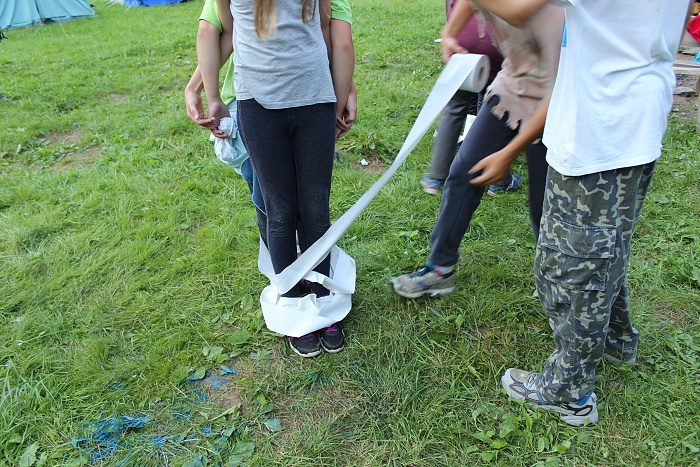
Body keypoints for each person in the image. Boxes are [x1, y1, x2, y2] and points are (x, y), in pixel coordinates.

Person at [470, 0, 693, 426]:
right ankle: (616, 340)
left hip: (599, 126)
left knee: (570, 268)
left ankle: (568, 393)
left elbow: (515, 8)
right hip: (635, 111)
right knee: (607, 249)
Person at [199, 0, 352, 358]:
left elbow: (331, 33)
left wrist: (339, 99)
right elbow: (227, 30)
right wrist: (212, 95)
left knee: (304, 212)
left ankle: (319, 299)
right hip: (266, 104)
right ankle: (296, 302)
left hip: (309, 101)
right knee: (289, 212)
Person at [389, 0, 562, 299]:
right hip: (511, 87)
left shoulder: (555, 14)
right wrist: (449, 34)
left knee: (544, 200)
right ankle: (440, 269)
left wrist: (508, 155)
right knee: (463, 172)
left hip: (553, 105)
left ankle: (555, 282)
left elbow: (558, 93)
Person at [184, 0, 357, 242]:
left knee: (274, 208)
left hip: (254, 102)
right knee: (308, 210)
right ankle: (303, 262)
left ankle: (285, 262)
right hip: (309, 97)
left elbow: (214, 32)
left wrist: (199, 89)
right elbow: (333, 38)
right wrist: (344, 89)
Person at [421, 0, 520, 197]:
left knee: (454, 108)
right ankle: (498, 180)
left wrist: (451, 33)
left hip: (460, 44)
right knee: (494, 111)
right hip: (497, 45)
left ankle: (435, 176)